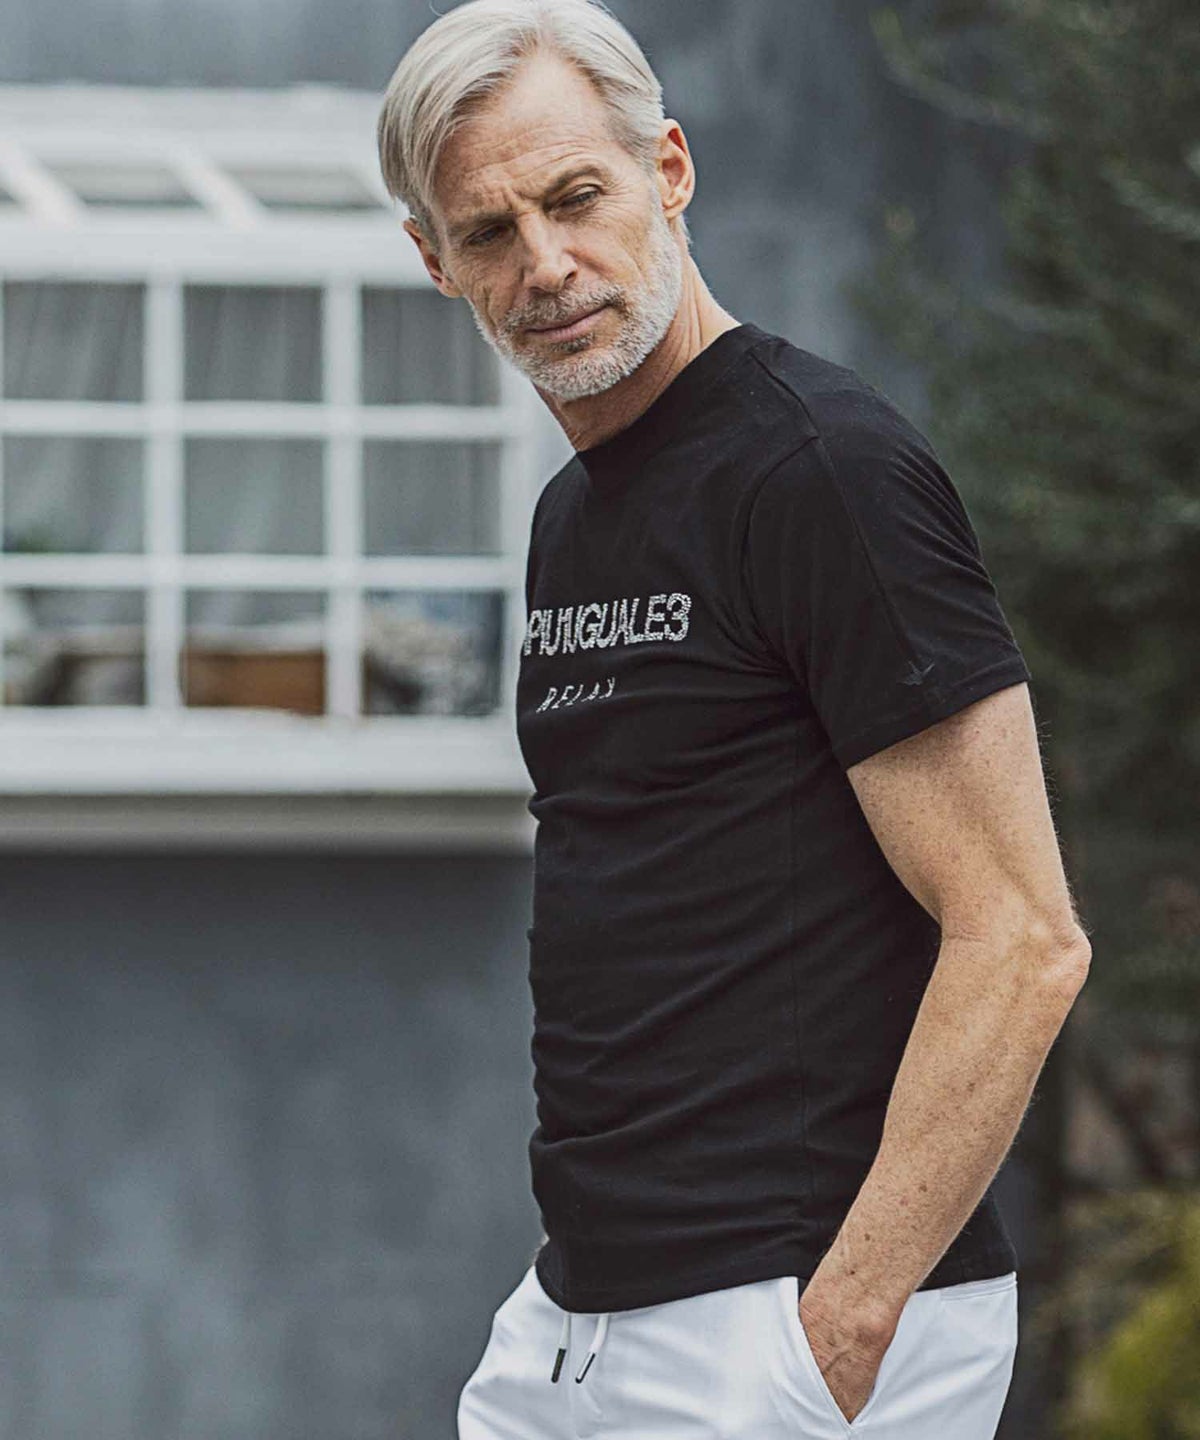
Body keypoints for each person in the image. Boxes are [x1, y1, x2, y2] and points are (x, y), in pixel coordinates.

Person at [377, 3, 1092, 1436]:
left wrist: (839, 1332)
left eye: (576, 197)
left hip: (783, 1315)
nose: (546, 264)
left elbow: (1022, 936)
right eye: (490, 232)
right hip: (581, 1312)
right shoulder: (572, 518)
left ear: (670, 170)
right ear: (436, 263)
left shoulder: (821, 470)